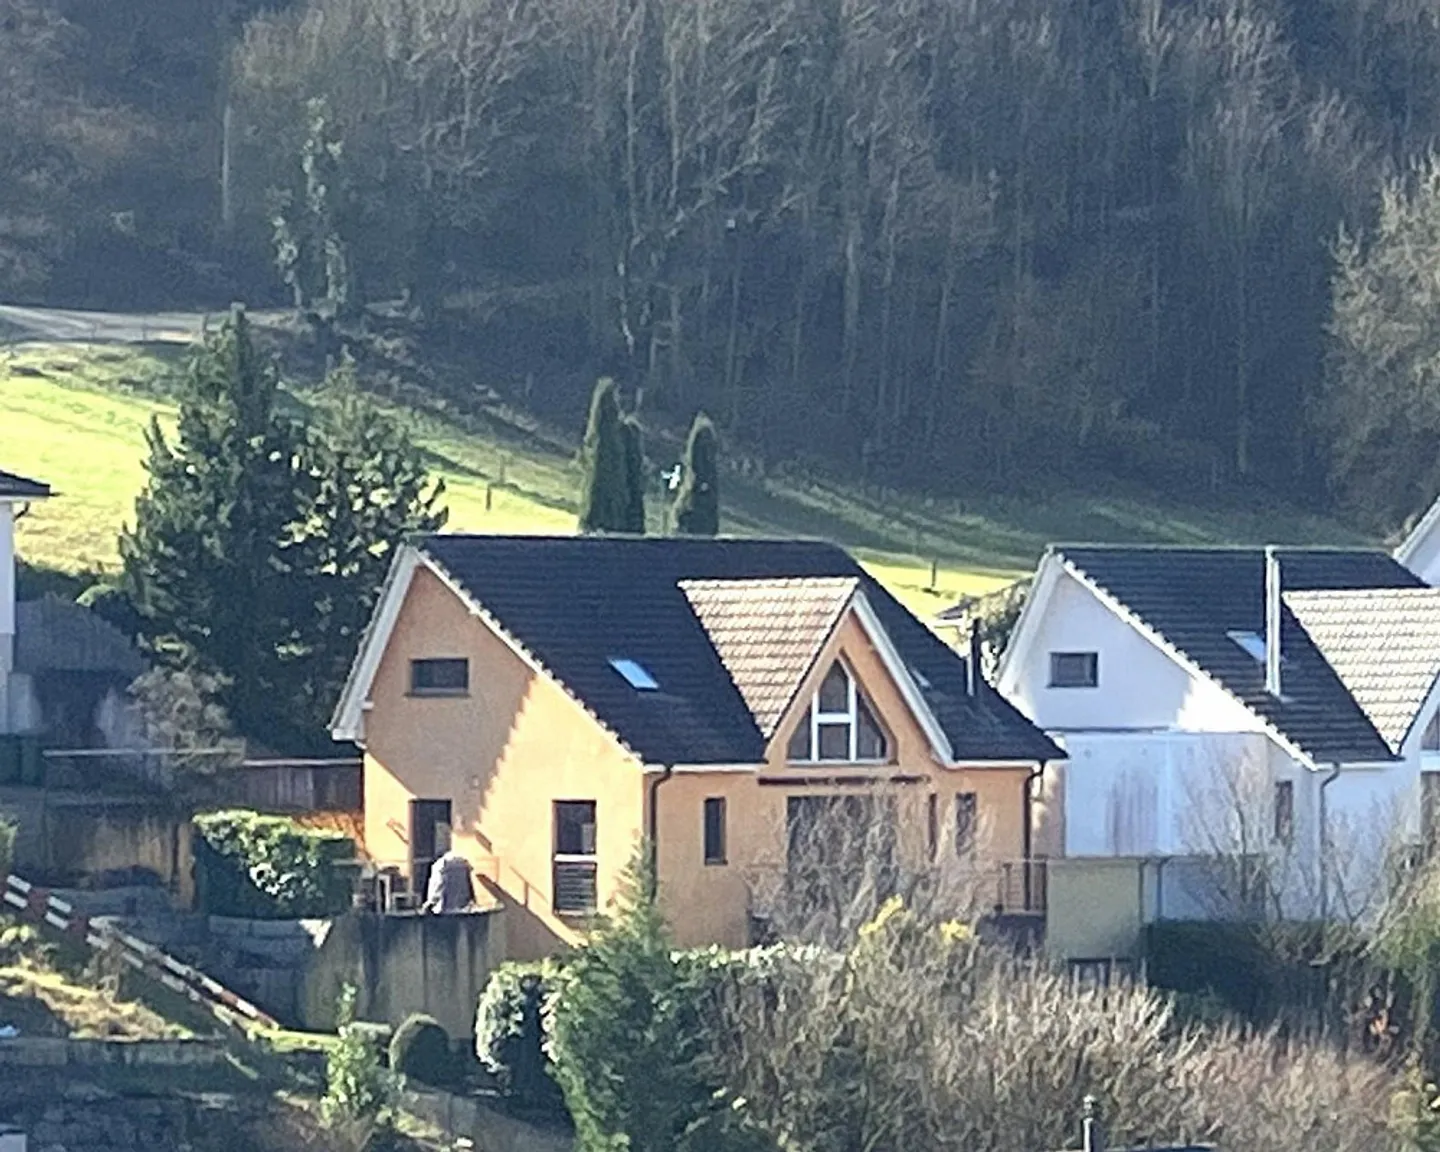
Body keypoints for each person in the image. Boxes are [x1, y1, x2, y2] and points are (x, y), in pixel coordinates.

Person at [421, 828, 475, 914]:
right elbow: (469, 886)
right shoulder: (462, 862)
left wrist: (429, 904)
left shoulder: (440, 865)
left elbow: (437, 887)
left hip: (444, 911)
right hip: (462, 910)